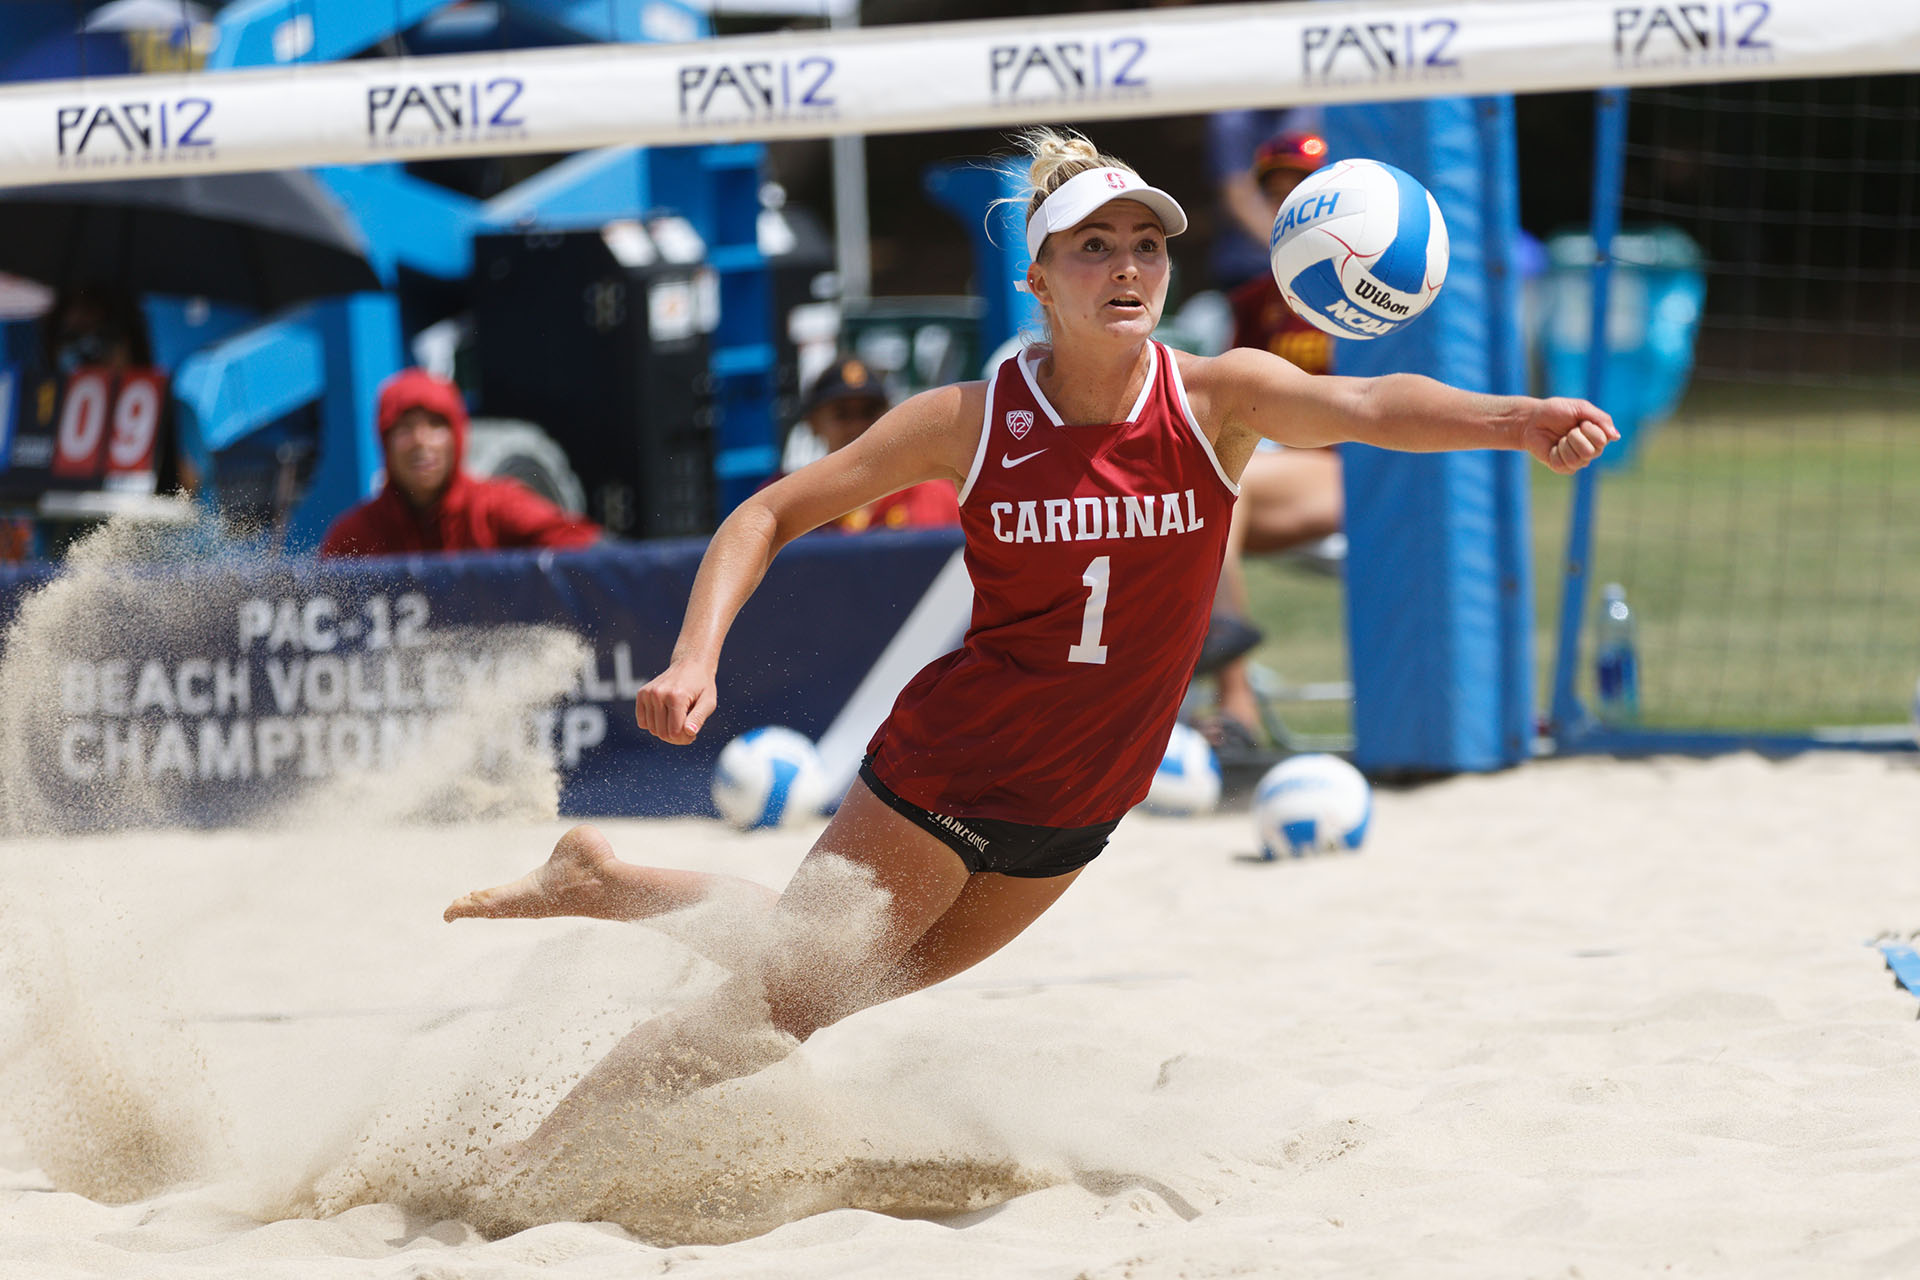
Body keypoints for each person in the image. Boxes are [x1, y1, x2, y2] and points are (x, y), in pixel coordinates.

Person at [442, 128, 1615, 1171]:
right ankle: (529, 1164)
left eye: (1146, 246)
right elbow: (766, 513)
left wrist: (1521, 420)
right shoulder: (973, 418)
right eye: (1094, 247)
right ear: (1038, 277)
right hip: (952, 771)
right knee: (776, 1009)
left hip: (1085, 801)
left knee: (833, 980)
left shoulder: (1216, 400)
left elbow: (1370, 406)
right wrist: (695, 656)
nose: (1128, 267)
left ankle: (609, 886)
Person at [1208, 130, 1347, 745]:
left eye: (1306, 195)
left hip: (1359, 469)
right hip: (1276, 474)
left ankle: (1234, 703)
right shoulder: (1255, 301)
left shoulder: (1379, 284)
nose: (1289, 209)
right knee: (1184, 502)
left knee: (1221, 489)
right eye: (1279, 196)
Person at [319, 368, 601, 558]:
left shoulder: (494, 508)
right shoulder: (355, 535)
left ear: (457, 436)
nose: (421, 441)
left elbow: (592, 553)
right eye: (405, 428)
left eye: (436, 425)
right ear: (385, 442)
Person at [790, 356, 959, 533]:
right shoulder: (791, 503)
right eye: (842, 414)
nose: (857, 426)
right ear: (813, 423)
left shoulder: (935, 496)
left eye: (868, 412)